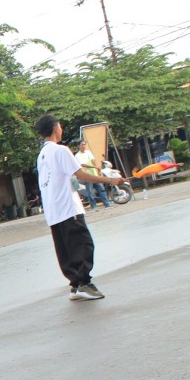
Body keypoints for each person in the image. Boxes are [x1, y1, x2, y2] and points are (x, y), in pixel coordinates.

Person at [35, 114, 130, 301]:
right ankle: (84, 283)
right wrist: (111, 180)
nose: (61, 128)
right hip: (68, 208)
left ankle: (75, 285)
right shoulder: (60, 150)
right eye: (60, 125)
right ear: (54, 128)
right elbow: (80, 175)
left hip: (54, 212)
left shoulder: (42, 155)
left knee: (66, 250)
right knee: (83, 245)